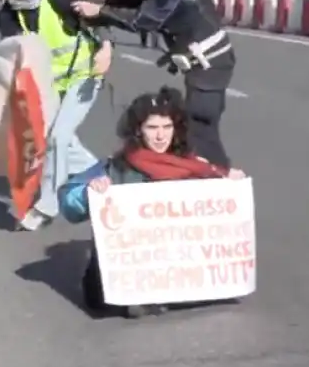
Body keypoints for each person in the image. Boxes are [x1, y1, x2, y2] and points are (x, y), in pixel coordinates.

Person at [58, 86, 246, 318]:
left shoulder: (193, 164)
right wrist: (89, 191)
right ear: (138, 130)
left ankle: (166, 293)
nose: (160, 136)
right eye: (152, 128)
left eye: (167, 127)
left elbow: (215, 197)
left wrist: (228, 181)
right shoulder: (117, 167)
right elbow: (69, 205)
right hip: (120, 278)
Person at [71, 0, 236, 168]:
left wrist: (98, 13)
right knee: (196, 126)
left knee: (199, 125)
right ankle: (213, 175)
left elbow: (142, 20)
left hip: (210, 64)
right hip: (203, 64)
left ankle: (220, 179)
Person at [0, 0, 115, 231]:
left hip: (84, 75)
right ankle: (104, 173)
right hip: (50, 85)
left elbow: (96, 15)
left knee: (60, 138)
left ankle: (46, 207)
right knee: (49, 139)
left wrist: (106, 48)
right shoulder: (8, 14)